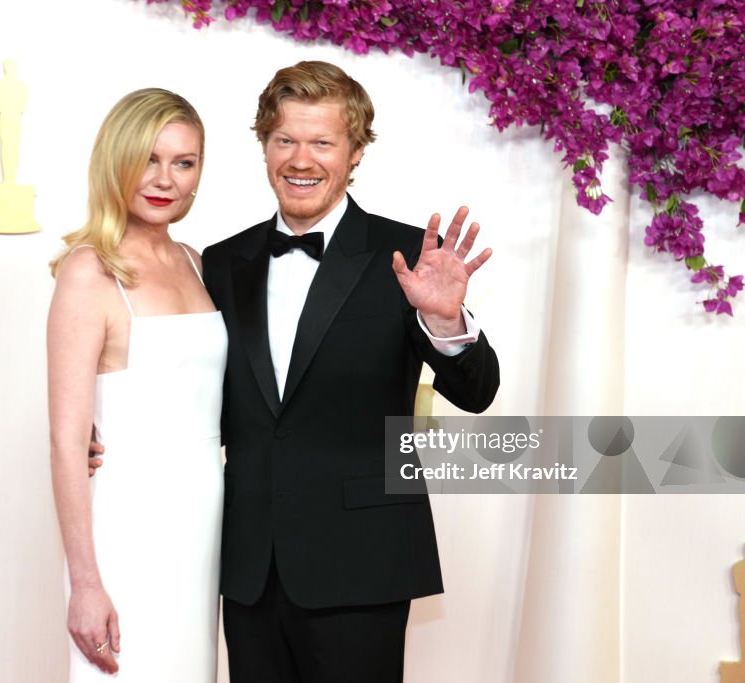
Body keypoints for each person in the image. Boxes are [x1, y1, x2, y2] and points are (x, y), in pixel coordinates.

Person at [201, 61, 500, 682]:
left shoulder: (410, 257)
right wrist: (112, 438)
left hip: (364, 561)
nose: (300, 159)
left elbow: (477, 391)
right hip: (251, 565)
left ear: (355, 152)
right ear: (263, 145)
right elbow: (206, 393)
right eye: (285, 139)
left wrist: (446, 322)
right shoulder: (224, 261)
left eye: (322, 142)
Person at [48, 88, 225, 681]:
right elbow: (68, 441)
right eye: (149, 158)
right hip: (128, 521)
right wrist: (85, 583)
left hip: (203, 520)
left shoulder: (199, 263)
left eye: (183, 162)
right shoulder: (89, 271)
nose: (165, 179)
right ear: (115, 160)